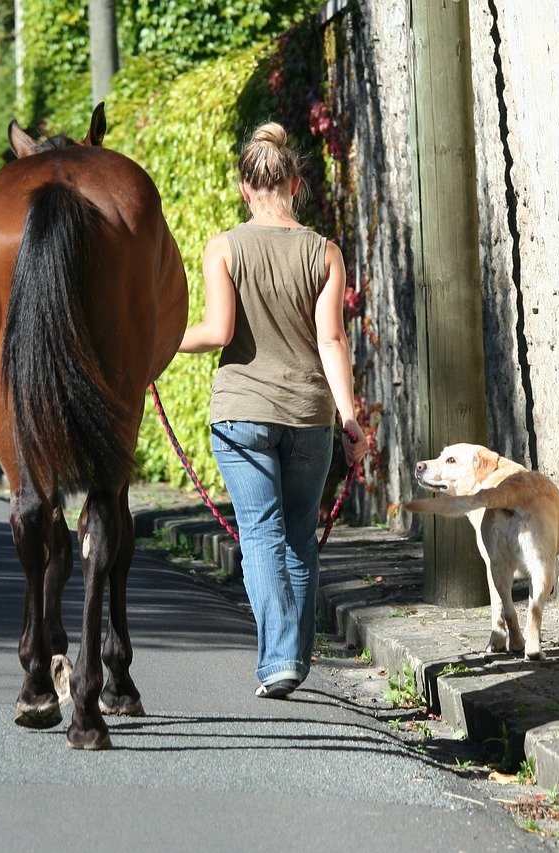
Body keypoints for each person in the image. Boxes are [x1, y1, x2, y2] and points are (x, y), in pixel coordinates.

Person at [178, 122, 369, 699]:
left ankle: (281, 659)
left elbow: (217, 331)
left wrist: (155, 343)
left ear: (244, 187)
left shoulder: (224, 247)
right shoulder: (324, 252)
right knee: (299, 538)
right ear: (294, 180)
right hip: (309, 416)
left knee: (260, 536)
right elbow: (333, 341)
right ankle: (291, 657)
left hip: (241, 413)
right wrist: (351, 420)